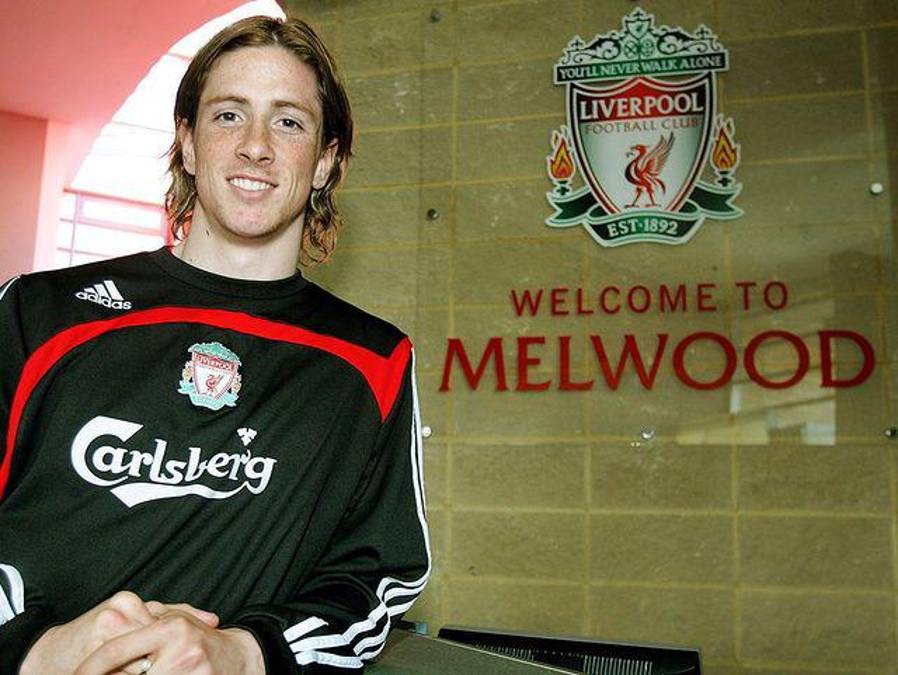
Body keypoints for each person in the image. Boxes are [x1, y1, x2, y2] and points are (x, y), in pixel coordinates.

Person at [0, 15, 430, 674]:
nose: (256, 145)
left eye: (288, 122)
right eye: (229, 115)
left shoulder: (372, 363)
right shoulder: (38, 312)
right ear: (189, 144)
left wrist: (246, 651)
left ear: (325, 162)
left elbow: (376, 579)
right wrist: (34, 650)